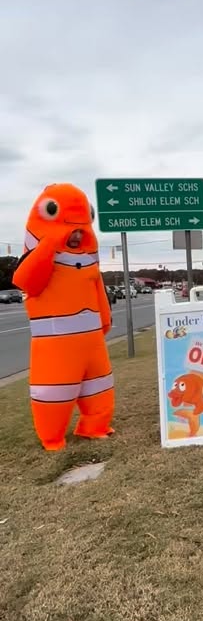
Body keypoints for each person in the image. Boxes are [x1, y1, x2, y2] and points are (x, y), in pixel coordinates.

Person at [12, 183, 115, 452]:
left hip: (92, 342)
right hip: (56, 345)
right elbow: (26, 282)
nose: (76, 237)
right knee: (55, 390)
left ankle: (95, 425)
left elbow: (97, 287)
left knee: (100, 386)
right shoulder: (40, 255)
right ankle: (52, 436)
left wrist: (104, 317)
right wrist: (49, 245)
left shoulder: (90, 260)